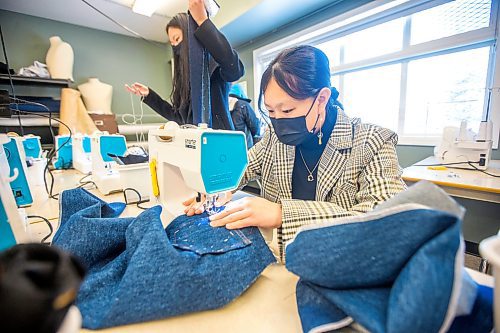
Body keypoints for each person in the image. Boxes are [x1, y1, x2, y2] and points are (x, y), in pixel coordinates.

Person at [184, 45, 407, 260]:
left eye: (288, 109)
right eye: (270, 111)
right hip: (279, 261)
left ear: (321, 99)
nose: (278, 120)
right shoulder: (273, 138)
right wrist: (217, 187)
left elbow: (388, 222)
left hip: (336, 264)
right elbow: (242, 166)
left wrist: (281, 214)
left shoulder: (373, 142)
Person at [126, 0, 244, 130]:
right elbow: (178, 117)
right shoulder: (184, 78)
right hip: (193, 142)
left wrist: (203, 22)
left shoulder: (212, 63)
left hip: (219, 142)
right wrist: (149, 95)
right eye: (172, 43)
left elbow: (235, 70)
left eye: (177, 39)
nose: (175, 46)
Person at [228, 83, 261, 149]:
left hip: (230, 144)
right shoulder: (243, 105)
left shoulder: (224, 105)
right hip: (245, 145)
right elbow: (254, 126)